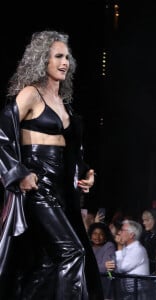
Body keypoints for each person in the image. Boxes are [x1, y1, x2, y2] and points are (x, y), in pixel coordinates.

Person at [0, 30, 103, 299]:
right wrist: (18, 173)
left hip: (61, 190)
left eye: (67, 57)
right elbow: (2, 135)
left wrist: (85, 173)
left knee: (47, 263)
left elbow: (70, 151)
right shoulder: (31, 94)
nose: (64, 62)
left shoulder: (63, 103)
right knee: (73, 251)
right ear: (41, 60)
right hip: (38, 189)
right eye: (58, 56)